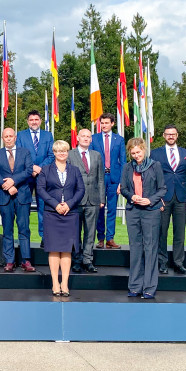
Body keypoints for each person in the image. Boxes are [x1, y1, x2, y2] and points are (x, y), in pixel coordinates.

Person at [37, 139, 85, 297]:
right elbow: (41, 190)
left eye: (64, 150)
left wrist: (69, 204)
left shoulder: (75, 170)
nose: (62, 153)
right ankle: (55, 283)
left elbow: (80, 190)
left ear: (68, 152)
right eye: (58, 151)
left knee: (66, 250)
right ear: (54, 153)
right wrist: (56, 204)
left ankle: (64, 283)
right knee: (53, 250)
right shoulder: (45, 170)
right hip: (52, 213)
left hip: (70, 214)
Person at [120, 138, 167, 299]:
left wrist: (150, 200)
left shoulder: (155, 166)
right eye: (133, 153)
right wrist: (131, 196)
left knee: (150, 249)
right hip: (133, 211)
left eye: (138, 152)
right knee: (135, 249)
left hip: (151, 211)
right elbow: (124, 188)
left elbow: (162, 189)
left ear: (144, 150)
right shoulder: (127, 167)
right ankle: (134, 286)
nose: (136, 155)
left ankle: (149, 287)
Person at [149, 125, 186, 274]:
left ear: (177, 135)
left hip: (182, 198)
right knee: (161, 232)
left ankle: (178, 263)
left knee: (180, 233)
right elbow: (151, 178)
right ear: (163, 135)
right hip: (163, 199)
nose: (171, 136)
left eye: (173, 134)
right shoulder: (155, 153)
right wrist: (156, 198)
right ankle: (162, 263)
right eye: (168, 134)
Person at [0, 127, 34, 272]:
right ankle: (9, 260)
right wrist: (7, 186)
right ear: (3, 138)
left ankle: (26, 260)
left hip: (22, 195)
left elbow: (28, 170)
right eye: (6, 136)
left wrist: (13, 181)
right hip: (5, 196)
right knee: (7, 229)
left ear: (15, 137)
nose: (8, 138)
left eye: (11, 136)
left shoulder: (25, 152)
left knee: (24, 228)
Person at [68, 128, 105, 273]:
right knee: (75, 233)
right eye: (83, 136)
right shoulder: (70, 155)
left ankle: (87, 260)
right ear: (77, 138)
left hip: (94, 200)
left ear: (91, 139)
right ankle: (76, 260)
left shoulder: (96, 155)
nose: (85, 138)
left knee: (90, 233)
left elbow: (100, 178)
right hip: (76, 200)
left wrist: (102, 198)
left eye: (88, 136)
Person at [17, 111, 54, 242]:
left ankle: (44, 237)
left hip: (43, 176)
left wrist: (39, 168)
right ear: (28, 121)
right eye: (31, 119)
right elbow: (19, 155)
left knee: (43, 207)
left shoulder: (48, 135)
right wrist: (32, 167)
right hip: (26, 177)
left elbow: (51, 155)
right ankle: (24, 237)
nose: (34, 122)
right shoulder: (20, 135)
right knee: (24, 208)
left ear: (40, 121)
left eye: (36, 119)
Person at [90, 113, 124, 249]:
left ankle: (110, 238)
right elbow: (91, 159)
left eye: (106, 123)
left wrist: (121, 182)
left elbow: (123, 162)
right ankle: (101, 238)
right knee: (99, 209)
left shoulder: (119, 139)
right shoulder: (94, 139)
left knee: (112, 209)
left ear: (112, 124)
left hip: (114, 179)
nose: (104, 125)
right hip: (99, 178)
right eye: (102, 123)